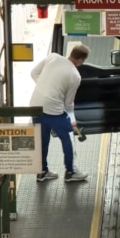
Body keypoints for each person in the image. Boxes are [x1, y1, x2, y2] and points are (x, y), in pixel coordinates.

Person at [30, 44, 90, 183]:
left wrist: (45, 87)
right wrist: (73, 122)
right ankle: (71, 172)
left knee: (42, 141)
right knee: (68, 139)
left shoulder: (53, 57)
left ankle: (42, 172)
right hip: (54, 112)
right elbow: (68, 104)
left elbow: (33, 73)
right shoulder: (75, 75)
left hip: (35, 107)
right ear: (81, 59)